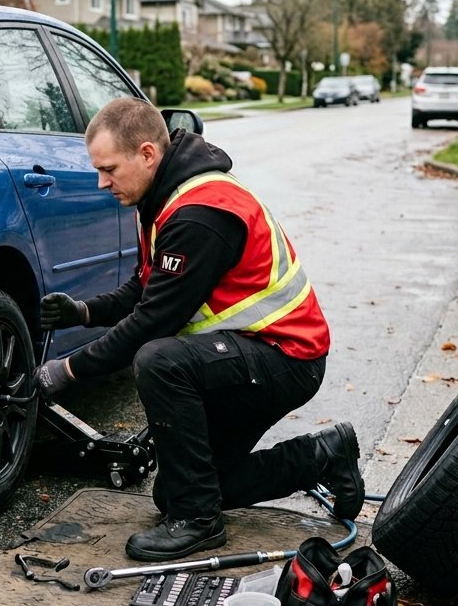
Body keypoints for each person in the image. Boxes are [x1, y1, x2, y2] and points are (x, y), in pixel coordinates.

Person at [33, 98, 363, 563]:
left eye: (108, 169)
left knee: (158, 359)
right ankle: (322, 456)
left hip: (286, 359)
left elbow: (152, 321)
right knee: (179, 490)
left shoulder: (200, 213)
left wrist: (65, 371)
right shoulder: (162, 198)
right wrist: (82, 312)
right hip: (248, 354)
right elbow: (145, 291)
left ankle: (199, 525)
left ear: (147, 154)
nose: (101, 182)